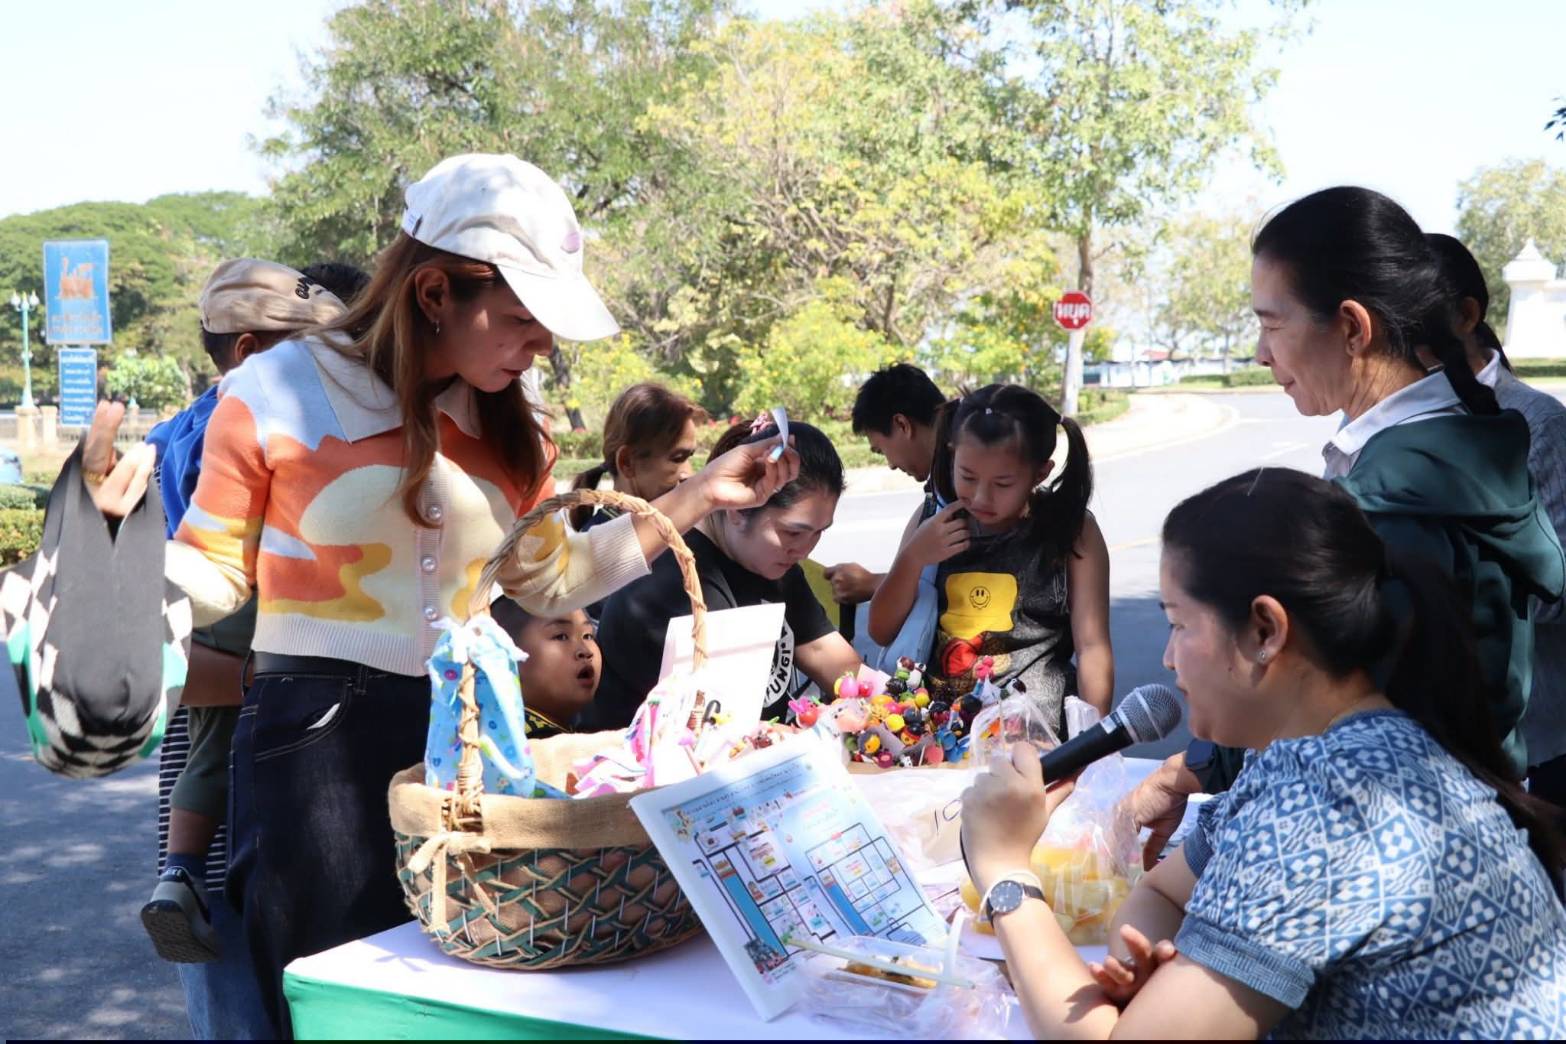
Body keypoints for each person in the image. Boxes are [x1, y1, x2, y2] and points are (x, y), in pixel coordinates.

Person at [81, 153, 799, 1035]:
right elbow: (215, 571)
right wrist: (108, 560)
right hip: (313, 744)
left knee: (461, 997)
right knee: (336, 995)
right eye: (523, 318)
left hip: (461, 730)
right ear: (433, 294)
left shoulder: (513, 424)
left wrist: (697, 497)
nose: (541, 344)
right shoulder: (273, 390)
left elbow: (554, 578)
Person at [960, 468, 1566, 1039]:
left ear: (1265, 630)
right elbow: (1165, 893)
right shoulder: (1310, 753)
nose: (1168, 659)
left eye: (1178, 624)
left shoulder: (1331, 803)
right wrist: (1149, 982)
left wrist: (1005, 869)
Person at [1128, 188, 1566, 849]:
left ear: (1354, 327)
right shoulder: (1458, 449)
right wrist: (1193, 769)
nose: (1260, 352)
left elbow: (1329, 716)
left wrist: (1200, 802)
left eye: (1273, 324)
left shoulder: (1398, 501)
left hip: (1397, 853)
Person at [141, 259, 359, 1037]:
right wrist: (270, 672)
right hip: (260, 692)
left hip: (290, 783)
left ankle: (179, 876)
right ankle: (186, 880)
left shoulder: (168, 436)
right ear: (247, 350)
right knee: (248, 1014)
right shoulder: (264, 424)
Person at [581, 418, 861, 729]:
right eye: (793, 533)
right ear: (738, 509)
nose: (805, 551)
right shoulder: (671, 580)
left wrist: (892, 703)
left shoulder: (773, 561)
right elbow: (719, 731)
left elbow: (825, 652)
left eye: (819, 533)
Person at [868, 383, 1112, 731]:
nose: (981, 497)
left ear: (1040, 472)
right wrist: (914, 558)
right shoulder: (933, 520)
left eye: (1002, 484)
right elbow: (880, 629)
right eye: (967, 476)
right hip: (940, 733)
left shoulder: (1072, 529)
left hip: (1035, 734)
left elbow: (1092, 648)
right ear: (952, 453)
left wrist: (1091, 744)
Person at [1428, 232, 1566, 810]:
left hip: (1537, 751)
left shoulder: (1536, 424)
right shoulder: (1391, 432)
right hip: (1439, 751)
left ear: (1466, 316)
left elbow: (1556, 591)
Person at [823, 363, 947, 606]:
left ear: (902, 425)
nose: (890, 464)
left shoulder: (963, 484)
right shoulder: (939, 489)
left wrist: (874, 584)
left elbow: (964, 583)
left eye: (881, 451)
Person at [568, 382, 707, 532]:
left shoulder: (681, 526)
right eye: (678, 458)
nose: (689, 474)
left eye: (690, 457)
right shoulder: (599, 547)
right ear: (626, 462)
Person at [490, 597, 601, 739]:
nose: (585, 651)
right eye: (561, 636)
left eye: (588, 636)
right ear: (508, 656)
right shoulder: (532, 745)